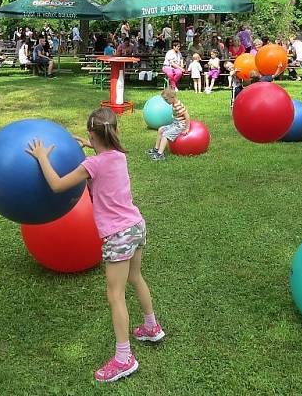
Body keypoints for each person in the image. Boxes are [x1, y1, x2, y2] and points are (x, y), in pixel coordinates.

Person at [26, 108, 163, 382]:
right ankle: (151, 327)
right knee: (136, 277)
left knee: (115, 295)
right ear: (115, 132)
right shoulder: (118, 157)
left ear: (92, 133)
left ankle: (124, 358)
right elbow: (104, 151)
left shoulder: (93, 165)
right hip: (136, 225)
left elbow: (56, 185)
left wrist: (42, 157)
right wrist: (91, 144)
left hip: (118, 234)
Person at [148, 88, 190, 161]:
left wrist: (187, 128)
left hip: (180, 126)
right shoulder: (174, 103)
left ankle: (160, 154)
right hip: (175, 124)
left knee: (165, 134)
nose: (165, 101)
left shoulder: (178, 106)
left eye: (166, 99)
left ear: (173, 97)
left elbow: (187, 116)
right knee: (161, 129)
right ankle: (156, 149)